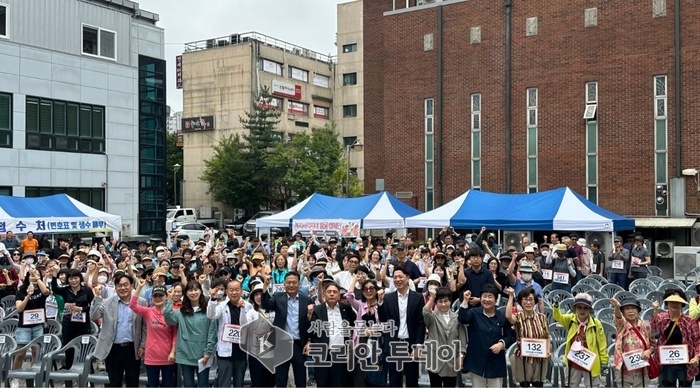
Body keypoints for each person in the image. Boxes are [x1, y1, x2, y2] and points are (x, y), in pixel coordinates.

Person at [90, 273, 147, 388]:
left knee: (133, 382)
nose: (123, 288)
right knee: (114, 383)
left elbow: (144, 326)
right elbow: (94, 315)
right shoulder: (107, 302)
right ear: (115, 288)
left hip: (133, 348)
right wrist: (97, 297)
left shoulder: (141, 302)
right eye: (119, 285)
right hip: (112, 348)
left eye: (126, 285)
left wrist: (142, 345)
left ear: (132, 286)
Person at [261, 271, 314, 388]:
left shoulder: (307, 301)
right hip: (281, 344)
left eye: (294, 282)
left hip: (299, 345)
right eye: (288, 282)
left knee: (301, 381)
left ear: (299, 284)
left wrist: (309, 341)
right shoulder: (278, 297)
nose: (291, 285)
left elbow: (310, 323)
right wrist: (265, 286)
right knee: (281, 380)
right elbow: (265, 305)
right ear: (284, 284)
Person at [378, 265, 426, 387]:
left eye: (400, 276)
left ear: (408, 278)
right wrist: (380, 302)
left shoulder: (417, 297)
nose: (398, 280)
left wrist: (418, 346)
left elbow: (421, 323)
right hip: (394, 343)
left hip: (410, 344)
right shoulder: (388, 298)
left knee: (412, 379)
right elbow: (384, 319)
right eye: (395, 277)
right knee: (394, 380)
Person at [163, 281, 217, 388]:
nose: (193, 293)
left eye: (196, 289)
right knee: (188, 384)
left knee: (203, 384)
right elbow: (169, 319)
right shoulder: (181, 311)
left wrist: (208, 351)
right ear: (186, 293)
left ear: (201, 291)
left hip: (203, 355)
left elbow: (212, 332)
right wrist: (169, 301)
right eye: (190, 290)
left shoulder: (208, 310)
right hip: (185, 354)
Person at [458, 284, 513, 387]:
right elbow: (462, 318)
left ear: (496, 300)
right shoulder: (474, 313)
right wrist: (465, 300)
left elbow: (508, 336)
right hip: (477, 361)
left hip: (496, 362)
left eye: (490, 296)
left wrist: (501, 344)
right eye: (484, 296)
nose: (486, 299)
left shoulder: (501, 316)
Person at [553, 292, 608, 388]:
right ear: (575, 309)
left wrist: (604, 361)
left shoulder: (596, 323)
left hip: (591, 362)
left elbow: (602, 344)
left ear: (590, 310)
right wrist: (556, 306)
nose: (582, 311)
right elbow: (558, 316)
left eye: (585, 308)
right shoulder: (570, 319)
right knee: (571, 385)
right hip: (573, 362)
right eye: (579, 307)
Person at [309, 282, 357, 387]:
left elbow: (355, 322)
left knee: (340, 383)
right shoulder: (317, 309)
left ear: (339, 296)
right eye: (329, 292)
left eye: (335, 292)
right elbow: (311, 330)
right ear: (324, 294)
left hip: (340, 353)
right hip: (323, 354)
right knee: (323, 383)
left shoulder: (346, 308)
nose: (332, 294)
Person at [129, 281, 177, 388]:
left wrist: (173, 352)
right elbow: (132, 305)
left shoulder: (171, 312)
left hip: (168, 356)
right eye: (155, 296)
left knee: (168, 385)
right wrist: (139, 287)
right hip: (151, 357)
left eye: (161, 295)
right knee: (152, 385)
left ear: (166, 297)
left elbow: (175, 334)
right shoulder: (148, 312)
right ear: (152, 298)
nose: (158, 298)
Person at [206, 278, 252, 388]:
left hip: (240, 351)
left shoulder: (247, 305)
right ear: (226, 291)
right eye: (231, 290)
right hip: (224, 352)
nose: (234, 292)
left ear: (241, 291)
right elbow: (211, 315)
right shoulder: (222, 305)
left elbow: (248, 326)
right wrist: (212, 299)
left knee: (239, 384)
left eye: (237, 290)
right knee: (224, 384)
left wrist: (243, 309)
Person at [650, 289, 700, 387]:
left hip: (686, 362)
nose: (675, 304)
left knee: (685, 385)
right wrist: (655, 311)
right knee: (668, 385)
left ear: (682, 304)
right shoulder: (661, 317)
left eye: (678, 302)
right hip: (666, 361)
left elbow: (698, 340)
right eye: (672, 301)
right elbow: (653, 328)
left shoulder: (689, 321)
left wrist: (697, 356)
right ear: (667, 303)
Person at [50, 267, 94, 369]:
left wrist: (81, 308)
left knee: (84, 347)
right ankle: (69, 368)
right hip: (68, 324)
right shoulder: (65, 290)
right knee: (69, 347)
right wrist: (54, 275)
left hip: (83, 324)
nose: (73, 281)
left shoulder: (87, 290)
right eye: (70, 278)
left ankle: (86, 369)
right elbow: (55, 288)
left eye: (76, 278)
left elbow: (93, 307)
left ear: (80, 278)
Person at [505, 287, 549, 387]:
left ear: (535, 302)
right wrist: (511, 297)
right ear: (521, 302)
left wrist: (547, 350)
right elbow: (508, 316)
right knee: (525, 384)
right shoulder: (518, 316)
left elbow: (547, 336)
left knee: (538, 384)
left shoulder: (542, 317)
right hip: (523, 357)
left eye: (531, 299)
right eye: (525, 300)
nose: (528, 303)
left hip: (540, 357)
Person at [11, 267, 50, 379]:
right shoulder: (21, 291)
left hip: (39, 325)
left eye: (36, 275)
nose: (34, 277)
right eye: (31, 275)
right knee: (20, 354)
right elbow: (19, 309)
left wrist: (37, 278)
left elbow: (46, 292)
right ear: (28, 277)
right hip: (24, 326)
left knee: (36, 353)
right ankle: (15, 377)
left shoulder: (42, 288)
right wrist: (28, 296)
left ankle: (34, 376)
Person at [423, 286, 465, 387]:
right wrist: (432, 298)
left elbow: (462, 339)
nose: (443, 304)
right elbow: (425, 311)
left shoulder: (457, 318)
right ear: (436, 303)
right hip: (434, 359)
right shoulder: (432, 316)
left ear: (450, 301)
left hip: (451, 360)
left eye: (446, 301)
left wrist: (461, 356)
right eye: (440, 301)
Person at [610, 297, 654, 387]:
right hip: (624, 370)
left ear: (638, 311)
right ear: (622, 312)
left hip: (642, 369)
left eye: (633, 308)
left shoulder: (646, 326)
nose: (630, 311)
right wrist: (617, 307)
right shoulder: (621, 325)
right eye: (627, 309)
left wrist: (649, 351)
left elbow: (652, 344)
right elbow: (618, 318)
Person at [245, 280, 275, 387]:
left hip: (272, 352)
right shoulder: (251, 313)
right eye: (256, 294)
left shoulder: (274, 311)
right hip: (256, 353)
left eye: (261, 294)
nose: (259, 297)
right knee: (258, 383)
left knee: (271, 383)